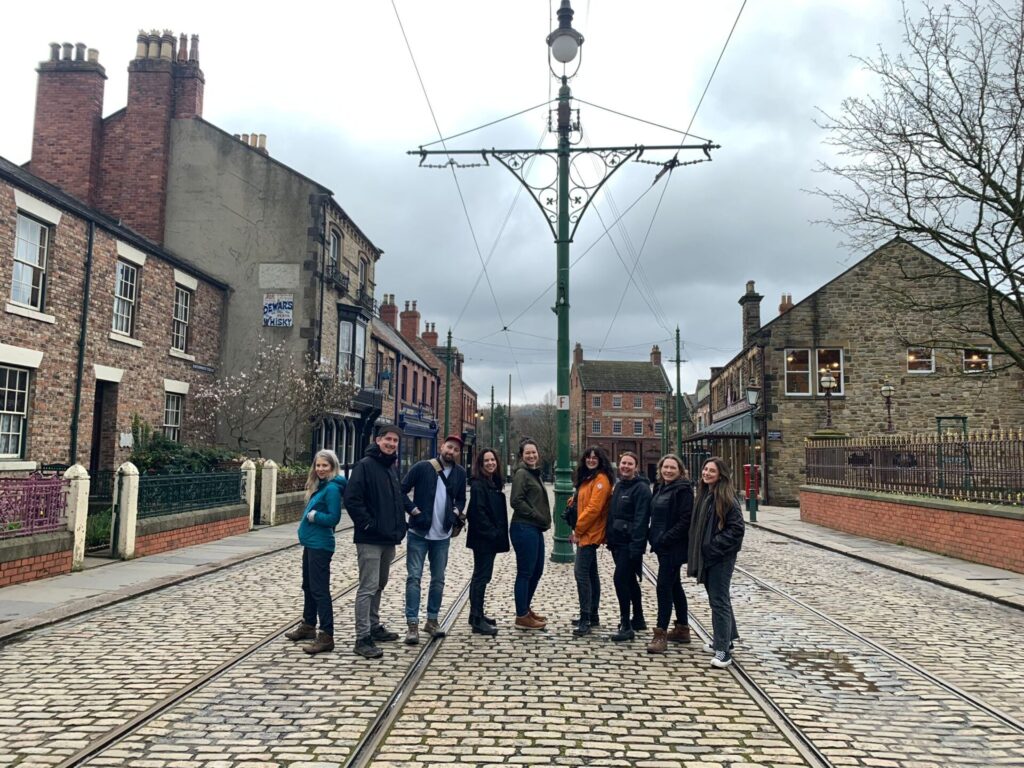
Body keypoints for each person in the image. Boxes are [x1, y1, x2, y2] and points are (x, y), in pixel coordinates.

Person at [344, 424, 411, 659]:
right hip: (370, 538)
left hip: (388, 539)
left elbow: (395, 501)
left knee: (380, 584)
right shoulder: (365, 466)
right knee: (368, 587)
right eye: (388, 440)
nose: (392, 444)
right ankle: (362, 638)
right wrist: (368, 524)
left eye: (395, 441)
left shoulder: (390, 467)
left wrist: (400, 526)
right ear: (377, 440)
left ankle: (373, 625)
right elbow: (352, 499)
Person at [400, 434, 467, 644]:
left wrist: (456, 511)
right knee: (414, 578)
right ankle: (412, 624)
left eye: (456, 450)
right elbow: (401, 491)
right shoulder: (422, 467)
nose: (451, 452)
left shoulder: (460, 473)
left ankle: (432, 620)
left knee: (438, 580)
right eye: (449, 448)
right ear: (442, 446)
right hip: (418, 533)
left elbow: (462, 497)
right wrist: (413, 510)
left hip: (443, 535)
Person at [285, 449, 346, 655]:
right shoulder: (322, 486)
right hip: (311, 543)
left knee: (320, 590)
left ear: (332, 467)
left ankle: (326, 635)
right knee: (308, 585)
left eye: (324, 466)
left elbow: (334, 518)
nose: (320, 469)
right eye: (318, 465)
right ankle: (308, 625)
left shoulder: (332, 489)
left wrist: (314, 516)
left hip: (321, 545)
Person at [688, 456, 745, 668]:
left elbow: (737, 529)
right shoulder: (706, 494)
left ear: (720, 474)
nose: (706, 473)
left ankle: (723, 651)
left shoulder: (726, 497)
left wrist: (713, 547)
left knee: (718, 600)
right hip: (711, 556)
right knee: (718, 598)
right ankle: (727, 640)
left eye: (711, 471)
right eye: (705, 470)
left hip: (720, 557)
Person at [646, 453, 694, 653]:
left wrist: (666, 538)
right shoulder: (659, 487)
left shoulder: (683, 490)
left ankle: (661, 634)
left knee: (663, 586)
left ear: (680, 471)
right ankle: (682, 628)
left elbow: (685, 520)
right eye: (665, 467)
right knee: (674, 585)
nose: (668, 470)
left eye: (672, 468)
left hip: (673, 546)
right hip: (661, 545)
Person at [606, 451, 651, 642]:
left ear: (636, 467)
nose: (625, 466)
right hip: (617, 542)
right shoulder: (619, 486)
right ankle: (638, 618)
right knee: (630, 580)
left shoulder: (641, 489)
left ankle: (626, 624)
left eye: (630, 464)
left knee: (620, 580)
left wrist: (637, 546)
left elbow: (642, 519)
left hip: (630, 543)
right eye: (623, 463)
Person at [465, 448, 510, 636]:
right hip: (484, 539)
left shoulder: (491, 482)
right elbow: (478, 513)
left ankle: (476, 614)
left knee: (482, 576)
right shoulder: (478, 485)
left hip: (487, 538)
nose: (491, 463)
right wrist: (493, 533)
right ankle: (476, 619)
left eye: (493, 460)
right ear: (481, 464)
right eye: (487, 461)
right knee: (481, 578)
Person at [569, 446, 613, 637]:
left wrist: (578, 530)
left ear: (601, 460)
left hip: (589, 534)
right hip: (587, 532)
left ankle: (585, 617)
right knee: (591, 574)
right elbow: (585, 501)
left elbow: (594, 509)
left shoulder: (601, 480)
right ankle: (592, 614)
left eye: (595, 457)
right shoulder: (589, 479)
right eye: (588, 457)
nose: (591, 460)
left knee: (581, 574)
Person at [509, 438, 551, 630]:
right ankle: (521, 615)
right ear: (521, 456)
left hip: (534, 528)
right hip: (524, 527)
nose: (532, 455)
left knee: (537, 571)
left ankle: (525, 608)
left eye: (534, 452)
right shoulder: (522, 474)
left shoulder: (534, 473)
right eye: (528, 453)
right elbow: (516, 501)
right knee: (525, 572)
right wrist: (536, 515)